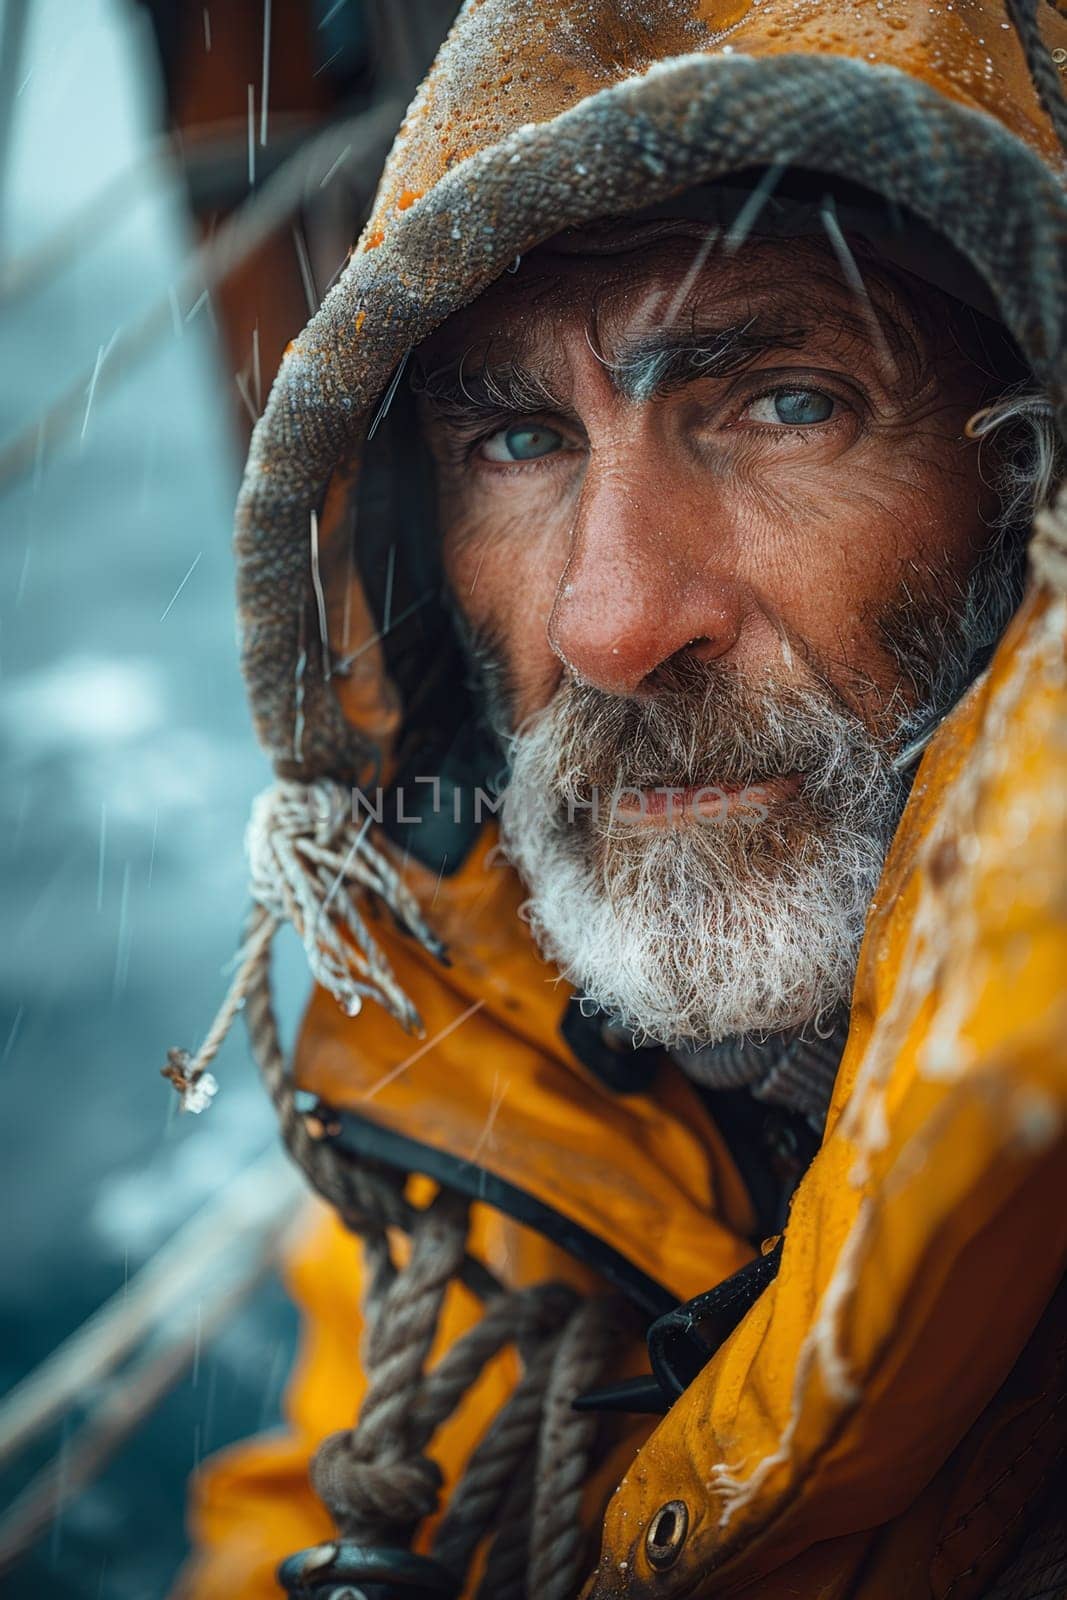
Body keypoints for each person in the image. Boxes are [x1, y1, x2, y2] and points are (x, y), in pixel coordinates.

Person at [174, 3, 1067, 1596]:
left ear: (1029, 482)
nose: (610, 622)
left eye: (788, 402)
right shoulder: (481, 1085)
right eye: (516, 441)